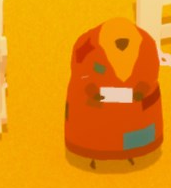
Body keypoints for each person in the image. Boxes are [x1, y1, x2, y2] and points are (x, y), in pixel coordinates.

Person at [64, 17, 163, 168]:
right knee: (97, 128)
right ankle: (94, 153)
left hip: (136, 106)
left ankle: (131, 151)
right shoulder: (87, 45)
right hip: (96, 103)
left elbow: (150, 71)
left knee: (132, 127)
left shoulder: (146, 43)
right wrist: (91, 89)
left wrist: (142, 88)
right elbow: (81, 72)